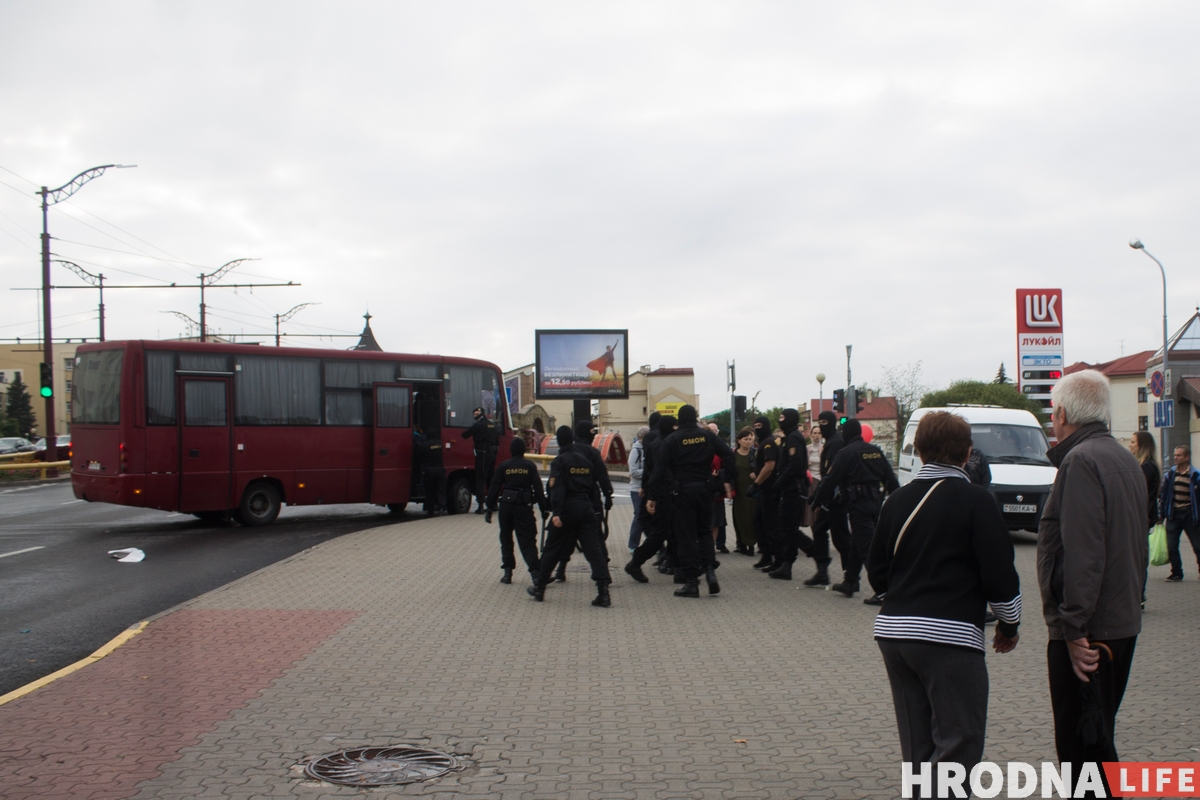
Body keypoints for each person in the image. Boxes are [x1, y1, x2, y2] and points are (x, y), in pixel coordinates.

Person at [867, 411, 1021, 792]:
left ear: (918, 451)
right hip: (949, 638)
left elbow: (877, 570)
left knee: (918, 748)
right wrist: (1009, 623)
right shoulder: (977, 500)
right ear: (968, 452)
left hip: (894, 636)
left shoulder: (897, 500)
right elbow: (999, 574)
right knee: (959, 742)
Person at [1038, 370, 1146, 798]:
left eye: (1052, 413)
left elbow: (1084, 553)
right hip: (1120, 622)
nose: (1052, 422)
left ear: (1063, 414)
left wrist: (1073, 629)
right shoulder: (1122, 457)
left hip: (1091, 632)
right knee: (1099, 738)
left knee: (1083, 749)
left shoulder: (1080, 461)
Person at [648, 404, 734, 598]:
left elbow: (659, 469)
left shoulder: (672, 439)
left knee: (686, 537)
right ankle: (710, 572)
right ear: (695, 418)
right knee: (704, 532)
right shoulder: (707, 435)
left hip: (683, 491)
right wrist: (724, 478)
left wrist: (652, 495)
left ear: (679, 420)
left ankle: (691, 582)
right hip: (705, 489)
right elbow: (728, 454)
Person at [811, 417, 899, 600]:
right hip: (875, 503)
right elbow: (890, 478)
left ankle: (883, 590)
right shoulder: (875, 451)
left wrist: (817, 500)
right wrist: (895, 502)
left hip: (858, 505)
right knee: (858, 544)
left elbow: (831, 480)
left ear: (846, 433)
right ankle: (850, 582)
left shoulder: (846, 453)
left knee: (868, 548)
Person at [528, 426, 614, 607]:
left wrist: (556, 512)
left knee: (552, 548)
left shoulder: (560, 461)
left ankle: (540, 587)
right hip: (586, 507)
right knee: (594, 550)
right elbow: (595, 484)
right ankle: (603, 592)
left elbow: (557, 489)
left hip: (567, 509)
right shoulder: (585, 460)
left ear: (558, 441)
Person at [624, 414, 678, 584]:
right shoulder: (663, 445)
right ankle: (636, 562)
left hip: (658, 493)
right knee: (662, 532)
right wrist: (651, 494)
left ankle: (674, 563)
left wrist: (646, 490)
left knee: (669, 532)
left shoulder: (656, 442)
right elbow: (657, 472)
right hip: (663, 494)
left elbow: (649, 470)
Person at [487, 438, 549, 585]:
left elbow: (494, 488)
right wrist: (544, 508)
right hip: (523, 507)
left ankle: (507, 573)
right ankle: (535, 573)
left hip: (506, 507)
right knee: (527, 541)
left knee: (506, 539)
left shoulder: (504, 466)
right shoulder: (530, 466)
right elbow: (538, 489)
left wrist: (489, 508)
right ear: (524, 450)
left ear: (511, 450)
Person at [768, 408, 817, 581]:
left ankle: (815, 551)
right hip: (789, 488)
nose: (780, 420)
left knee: (788, 527)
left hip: (793, 489)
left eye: (782, 417)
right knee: (788, 528)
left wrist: (779, 482)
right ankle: (787, 566)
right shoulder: (789, 437)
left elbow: (795, 465)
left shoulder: (794, 438)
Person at [805, 411, 849, 587]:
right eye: (819, 422)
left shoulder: (835, 443)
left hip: (836, 497)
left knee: (842, 538)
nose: (822, 426)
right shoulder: (830, 442)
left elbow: (832, 475)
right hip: (828, 496)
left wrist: (817, 498)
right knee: (819, 530)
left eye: (825, 422)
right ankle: (822, 571)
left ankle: (850, 576)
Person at [1160, 444, 1200, 582]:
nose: (1175, 458)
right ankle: (1176, 572)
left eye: (1179, 455)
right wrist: (1161, 514)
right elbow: (1164, 495)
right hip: (1174, 514)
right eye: (1175, 455)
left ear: (1187, 457)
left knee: (1197, 546)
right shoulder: (1170, 474)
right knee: (1172, 546)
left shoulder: (1195, 475)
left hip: (1190, 515)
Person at [1129, 431, 1159, 606]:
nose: (1130, 445)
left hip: (1142, 518)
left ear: (1142, 446)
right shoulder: (1144, 465)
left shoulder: (1147, 467)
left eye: (1133, 442)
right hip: (1142, 517)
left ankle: (1138, 595)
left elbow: (1143, 495)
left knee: (1138, 557)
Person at [747, 415, 780, 570]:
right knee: (758, 521)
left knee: (770, 525)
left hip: (770, 489)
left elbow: (769, 466)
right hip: (764, 488)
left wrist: (756, 483)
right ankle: (766, 555)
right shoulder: (764, 442)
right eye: (756, 425)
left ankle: (776, 558)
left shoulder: (768, 443)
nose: (758, 428)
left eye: (760, 425)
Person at [462, 407, 499, 514]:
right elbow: (497, 440)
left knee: (480, 479)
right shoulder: (493, 425)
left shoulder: (478, 425)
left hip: (482, 454)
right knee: (491, 479)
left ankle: (481, 505)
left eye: (477, 413)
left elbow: (465, 435)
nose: (475, 415)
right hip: (492, 453)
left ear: (481, 414)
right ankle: (494, 504)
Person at [731, 427, 758, 555]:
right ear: (739, 441)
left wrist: (756, 474)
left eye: (750, 439)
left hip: (752, 490)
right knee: (739, 517)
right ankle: (741, 544)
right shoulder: (733, 454)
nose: (748, 442)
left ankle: (751, 544)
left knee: (751, 517)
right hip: (738, 490)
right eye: (746, 439)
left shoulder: (755, 454)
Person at [413, 426, 447, 516]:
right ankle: (442, 506)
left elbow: (419, 455)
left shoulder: (425, 445)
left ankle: (430, 509)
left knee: (429, 490)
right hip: (440, 470)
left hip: (429, 470)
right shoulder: (440, 444)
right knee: (440, 489)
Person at [627, 425, 650, 553]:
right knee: (639, 516)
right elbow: (633, 471)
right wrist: (648, 472)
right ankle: (633, 544)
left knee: (647, 517)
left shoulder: (648, 449)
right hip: (637, 488)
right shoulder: (636, 451)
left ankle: (651, 542)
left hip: (647, 487)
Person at [708, 422, 730, 554]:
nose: (714, 433)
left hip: (718, 488)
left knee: (719, 519)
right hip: (705, 488)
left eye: (715, 431)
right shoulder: (702, 447)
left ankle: (719, 544)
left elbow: (727, 466)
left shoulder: (721, 449)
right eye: (711, 431)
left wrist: (720, 474)